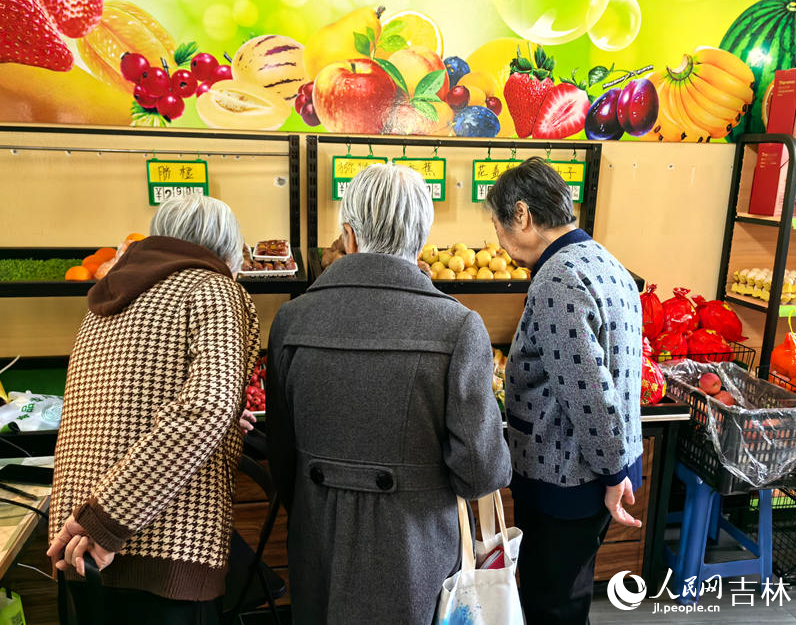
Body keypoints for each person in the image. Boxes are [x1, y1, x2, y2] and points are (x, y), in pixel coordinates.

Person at [266, 163, 511, 624]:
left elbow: (283, 460)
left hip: (318, 545)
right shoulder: (457, 327)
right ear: (421, 238)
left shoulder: (292, 321)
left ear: (349, 236)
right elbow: (480, 472)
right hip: (413, 557)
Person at [47, 195, 260, 624]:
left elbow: (136, 398)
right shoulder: (213, 289)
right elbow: (206, 408)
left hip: (76, 536)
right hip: (158, 541)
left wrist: (92, 521)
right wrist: (106, 521)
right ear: (228, 248)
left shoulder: (109, 297)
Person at [486, 157, 643, 625]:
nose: (497, 240)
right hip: (599, 467)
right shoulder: (603, 260)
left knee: (551, 604)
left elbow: (588, 390)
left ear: (522, 215)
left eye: (497, 225)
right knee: (568, 595)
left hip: (569, 473)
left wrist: (613, 474)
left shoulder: (557, 279)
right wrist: (618, 469)